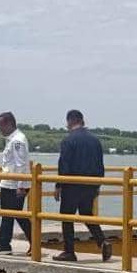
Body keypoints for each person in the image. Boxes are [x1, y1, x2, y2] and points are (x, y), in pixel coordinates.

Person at [54, 109, 111, 263]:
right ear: (82, 120)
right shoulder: (95, 140)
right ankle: (102, 241)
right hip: (91, 184)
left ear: (70, 121)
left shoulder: (68, 140)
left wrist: (59, 185)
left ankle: (69, 252)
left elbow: (64, 165)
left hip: (72, 185)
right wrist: (98, 185)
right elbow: (100, 165)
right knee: (86, 214)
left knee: (67, 217)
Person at [0, 112, 32, 255]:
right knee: (8, 215)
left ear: (9, 124)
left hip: (14, 185)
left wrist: (20, 185)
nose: (0, 128)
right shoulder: (11, 139)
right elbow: (9, 163)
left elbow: (20, 164)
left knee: (16, 215)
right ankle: (4, 244)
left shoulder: (17, 140)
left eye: (1, 125)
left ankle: (32, 241)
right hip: (8, 183)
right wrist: (1, 177)